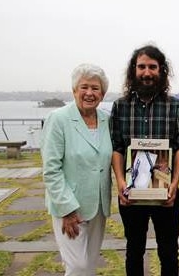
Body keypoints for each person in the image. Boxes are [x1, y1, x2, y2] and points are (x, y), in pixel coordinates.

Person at [110, 45, 179, 275]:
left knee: (168, 251)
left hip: (166, 192)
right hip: (132, 193)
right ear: (133, 70)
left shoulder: (173, 105)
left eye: (152, 67)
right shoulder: (121, 106)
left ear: (161, 70)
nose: (147, 72)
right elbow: (117, 148)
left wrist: (174, 185)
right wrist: (121, 184)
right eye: (141, 66)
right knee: (134, 250)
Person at [42, 63, 112, 276]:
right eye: (84, 87)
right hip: (70, 208)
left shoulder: (106, 120)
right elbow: (51, 169)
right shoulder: (59, 119)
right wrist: (66, 209)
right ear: (74, 90)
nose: (90, 93)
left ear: (103, 93)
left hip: (98, 206)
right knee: (77, 267)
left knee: (89, 265)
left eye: (95, 88)